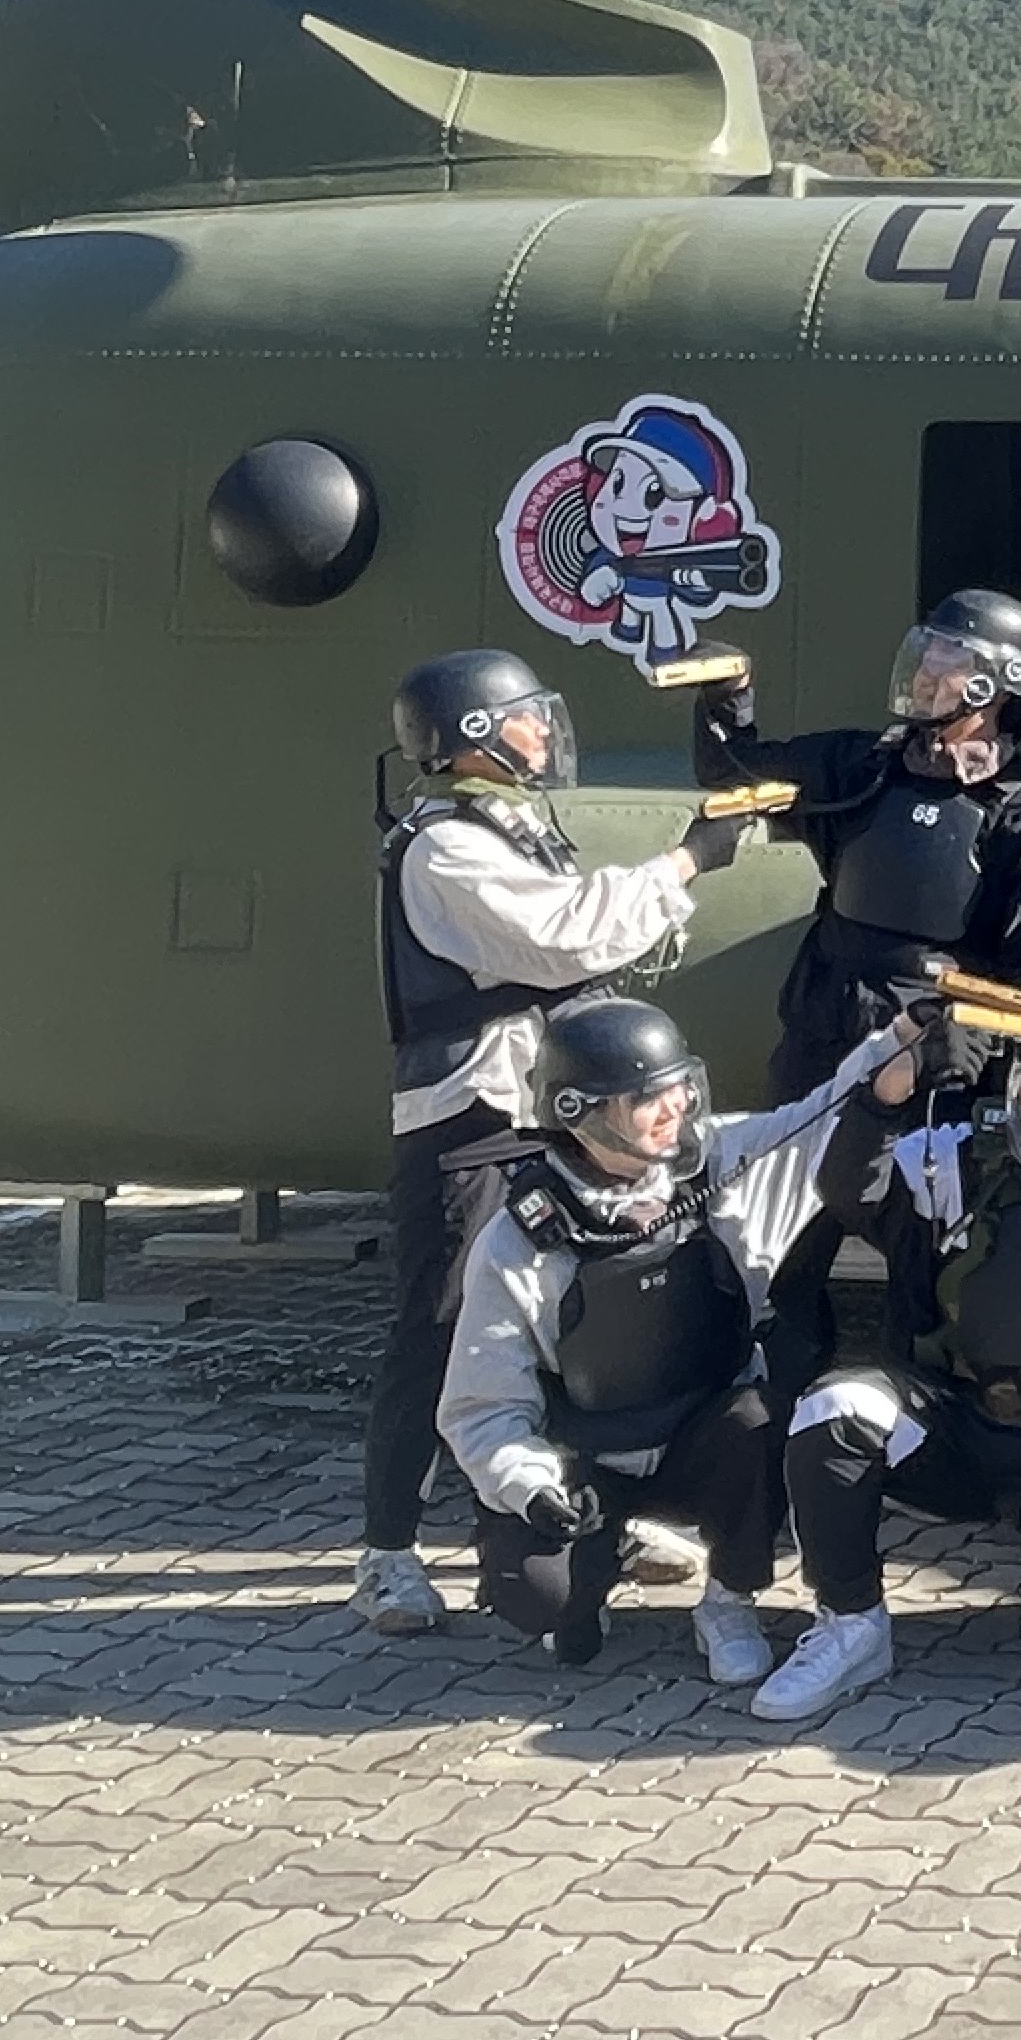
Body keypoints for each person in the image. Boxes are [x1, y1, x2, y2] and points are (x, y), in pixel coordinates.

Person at [360, 647, 725, 1638]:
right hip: (476, 1116)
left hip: (554, 1104)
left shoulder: (513, 822)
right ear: (475, 734)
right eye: (524, 716)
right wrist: (686, 860)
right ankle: (388, 1552)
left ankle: (602, 1510)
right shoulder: (444, 845)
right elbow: (564, 934)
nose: (542, 732)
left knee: (590, 1316)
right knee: (442, 1328)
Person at [753, 982, 1021, 1723]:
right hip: (958, 1419)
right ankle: (851, 1625)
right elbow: (850, 1191)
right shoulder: (958, 1152)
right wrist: (886, 1095)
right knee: (831, 1413)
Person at [436, 999, 874, 1683]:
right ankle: (598, 1566)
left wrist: (897, 1045)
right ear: (579, 1112)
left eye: (680, 1086)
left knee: (759, 1419)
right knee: (536, 1596)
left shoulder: (723, 1162)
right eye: (646, 1098)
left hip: (703, 1436)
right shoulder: (516, 1240)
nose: (676, 1107)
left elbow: (825, 1115)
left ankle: (727, 1601)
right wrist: (531, 1488)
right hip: (584, 1458)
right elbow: (481, 1408)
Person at [694, 589, 1021, 1105]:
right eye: (927, 653)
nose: (925, 672)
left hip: (923, 1050)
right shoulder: (862, 765)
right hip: (820, 1024)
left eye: (948, 658)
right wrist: (727, 696)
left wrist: (966, 1039)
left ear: (997, 682)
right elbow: (732, 771)